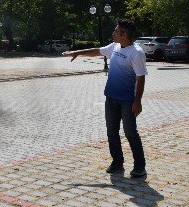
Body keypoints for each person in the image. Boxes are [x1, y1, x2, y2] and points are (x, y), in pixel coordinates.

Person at [62, 19, 148, 179]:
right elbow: (97, 51)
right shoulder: (114, 47)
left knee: (130, 132)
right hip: (111, 98)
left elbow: (141, 78)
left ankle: (140, 166)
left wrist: (138, 101)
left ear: (123, 34)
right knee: (111, 131)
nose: (113, 33)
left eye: (116, 31)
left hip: (128, 100)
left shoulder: (136, 53)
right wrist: (78, 52)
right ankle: (117, 162)